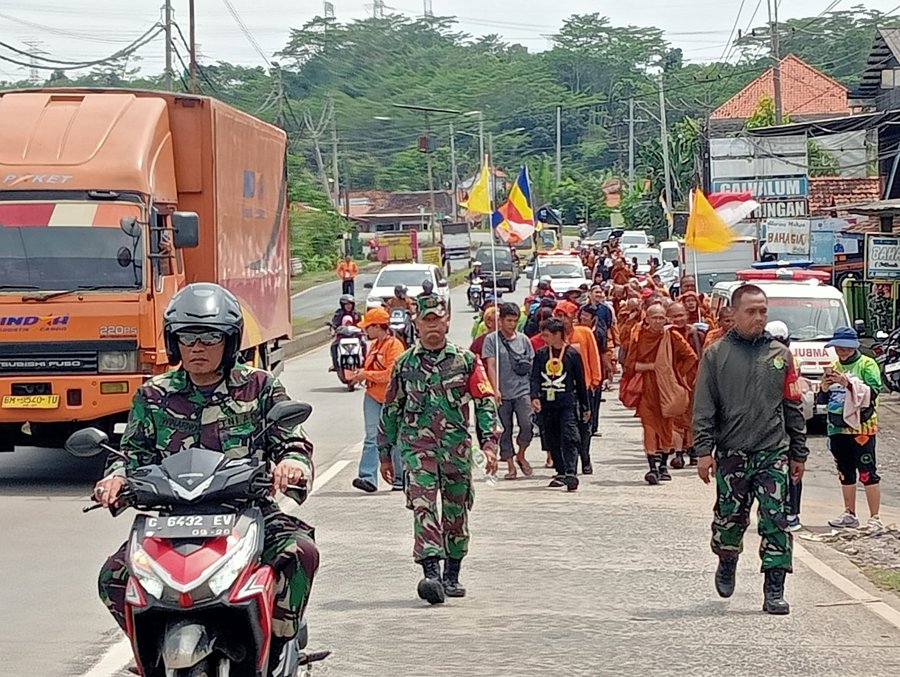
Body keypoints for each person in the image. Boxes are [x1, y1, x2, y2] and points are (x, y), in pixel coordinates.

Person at [93, 283, 319, 669]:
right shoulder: (153, 395)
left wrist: (291, 464)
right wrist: (114, 479)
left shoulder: (260, 387)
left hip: (247, 511)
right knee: (112, 577)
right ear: (173, 341)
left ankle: (281, 644)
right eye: (187, 337)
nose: (197, 347)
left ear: (229, 341)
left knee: (299, 553)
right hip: (168, 518)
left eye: (210, 337)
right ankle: (148, 650)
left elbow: (293, 441)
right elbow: (131, 454)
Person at [377, 294, 501, 604]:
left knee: (456, 511)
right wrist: (384, 452)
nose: (432, 325)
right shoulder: (404, 365)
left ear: (447, 323)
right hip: (418, 452)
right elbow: (391, 408)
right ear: (416, 325)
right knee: (423, 506)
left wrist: (489, 444)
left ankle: (452, 573)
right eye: (426, 320)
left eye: (437, 320)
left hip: (456, 451)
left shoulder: (465, 361)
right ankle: (431, 570)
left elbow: (484, 402)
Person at [693, 284, 808, 615]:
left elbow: (792, 405)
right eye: (751, 311)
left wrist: (798, 452)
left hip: (773, 452)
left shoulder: (781, 355)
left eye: (763, 311)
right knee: (730, 520)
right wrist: (704, 451)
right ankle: (726, 559)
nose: (759, 317)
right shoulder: (716, 355)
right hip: (732, 455)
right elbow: (703, 408)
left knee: (776, 521)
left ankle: (774, 589)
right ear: (733, 314)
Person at [816, 326, 884, 532]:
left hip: (862, 427)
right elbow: (822, 400)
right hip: (837, 427)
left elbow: (873, 392)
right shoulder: (834, 366)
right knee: (845, 472)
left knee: (867, 472)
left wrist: (847, 383)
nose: (842, 351)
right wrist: (825, 386)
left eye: (845, 347)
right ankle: (849, 512)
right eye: (838, 347)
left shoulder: (866, 364)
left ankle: (875, 517)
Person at [623, 303, 697, 484]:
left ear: (666, 319)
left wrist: (677, 374)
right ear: (646, 319)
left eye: (661, 318)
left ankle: (663, 465)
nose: (657, 321)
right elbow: (629, 366)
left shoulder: (671, 336)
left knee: (666, 427)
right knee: (649, 427)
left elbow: (691, 356)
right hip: (647, 390)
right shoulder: (639, 337)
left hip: (667, 388)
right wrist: (652, 367)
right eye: (654, 318)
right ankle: (652, 468)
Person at [350, 308, 406, 494]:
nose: (365, 330)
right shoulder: (374, 345)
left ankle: (400, 478)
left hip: (392, 398)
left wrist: (366, 374)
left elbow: (391, 374)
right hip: (373, 396)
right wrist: (360, 374)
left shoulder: (395, 346)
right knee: (371, 437)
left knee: (395, 437)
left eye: (368, 327)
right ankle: (368, 478)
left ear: (377, 326)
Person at [530, 317, 590, 491]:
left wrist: (585, 406)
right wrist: (534, 396)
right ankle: (560, 471)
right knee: (551, 438)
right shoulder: (541, 354)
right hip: (547, 404)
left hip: (567, 403)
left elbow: (580, 382)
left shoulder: (572, 354)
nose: (544, 338)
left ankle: (571, 472)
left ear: (558, 335)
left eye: (547, 335)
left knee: (570, 436)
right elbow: (534, 377)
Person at [483, 303, 535, 480]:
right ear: (501, 320)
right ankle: (511, 465)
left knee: (527, 425)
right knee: (504, 429)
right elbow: (491, 365)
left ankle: (521, 453)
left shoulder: (524, 340)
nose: (511, 324)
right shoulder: (491, 340)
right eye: (508, 321)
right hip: (502, 392)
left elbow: (531, 365)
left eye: (514, 321)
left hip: (522, 390)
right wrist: (494, 388)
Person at [767, 320, 807, 531]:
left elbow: (794, 400)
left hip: (785, 425)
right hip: (765, 429)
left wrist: (800, 444)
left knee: (793, 469)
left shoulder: (792, 361)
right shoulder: (758, 360)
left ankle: (792, 512)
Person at [329, 294, 362, 373]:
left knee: (363, 344)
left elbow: (361, 324)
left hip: (355, 336)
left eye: (350, 304)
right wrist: (333, 331)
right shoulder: (338, 313)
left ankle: (365, 363)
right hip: (342, 337)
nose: (348, 306)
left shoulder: (356, 314)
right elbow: (334, 325)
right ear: (342, 305)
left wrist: (363, 331)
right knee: (333, 346)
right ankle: (335, 365)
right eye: (346, 304)